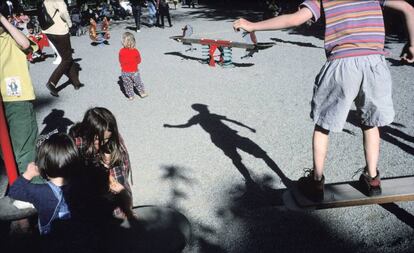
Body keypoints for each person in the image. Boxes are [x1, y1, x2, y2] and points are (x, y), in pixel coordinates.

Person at [233, 0, 414, 201]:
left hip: (341, 64)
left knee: (323, 125)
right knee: (370, 123)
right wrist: (413, 45)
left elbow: (293, 19)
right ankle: (372, 179)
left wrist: (252, 25)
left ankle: (316, 182)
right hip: (375, 64)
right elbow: (408, 8)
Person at [69, 107, 135, 219]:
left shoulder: (114, 141)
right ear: (87, 133)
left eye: (105, 139)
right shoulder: (76, 144)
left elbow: (122, 172)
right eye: (96, 139)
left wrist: (124, 203)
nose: (101, 143)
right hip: (90, 197)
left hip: (115, 195)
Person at [8, 133, 78, 235]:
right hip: (74, 236)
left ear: (42, 166)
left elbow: (14, 191)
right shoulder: (79, 185)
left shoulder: (39, 192)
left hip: (51, 241)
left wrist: (28, 174)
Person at [0, 11, 41, 183]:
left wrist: (2, 19)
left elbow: (25, 45)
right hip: (2, 99)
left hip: (17, 98)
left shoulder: (11, 38)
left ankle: (34, 189)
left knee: (24, 145)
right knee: (6, 147)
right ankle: (20, 183)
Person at [42, 0, 84, 97]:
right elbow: (63, 12)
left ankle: (76, 82)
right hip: (59, 30)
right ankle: (52, 82)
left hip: (48, 30)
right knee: (66, 59)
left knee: (67, 56)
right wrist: (69, 24)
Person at [119, 32, 148, 99]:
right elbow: (139, 60)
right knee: (138, 82)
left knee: (127, 84)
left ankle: (130, 95)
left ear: (123, 42)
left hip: (124, 72)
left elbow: (120, 60)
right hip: (134, 71)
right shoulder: (135, 51)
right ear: (133, 41)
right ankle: (142, 93)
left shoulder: (121, 51)